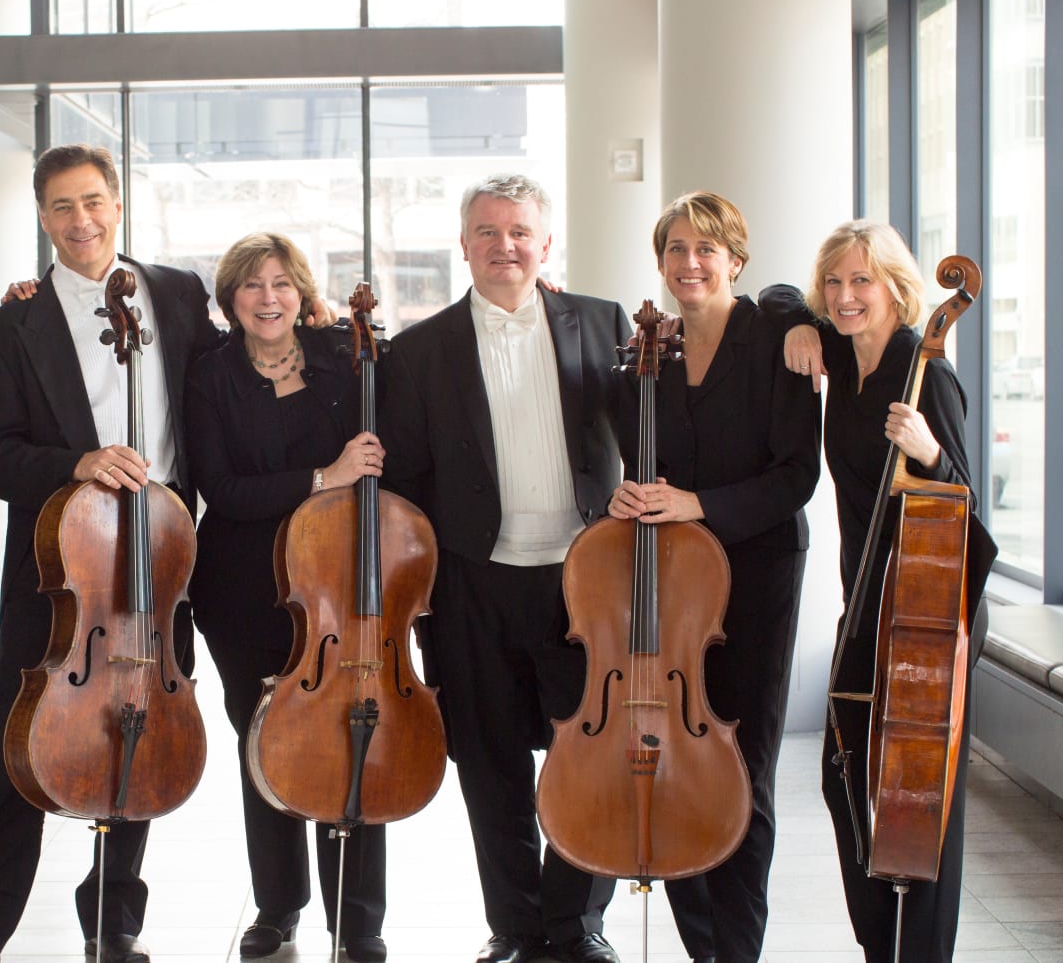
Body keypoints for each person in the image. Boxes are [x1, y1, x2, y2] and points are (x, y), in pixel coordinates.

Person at [0, 144, 331, 963]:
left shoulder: (173, 291)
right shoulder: (4, 329)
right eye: (61, 206)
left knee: (137, 730)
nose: (80, 220)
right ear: (41, 215)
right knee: (18, 749)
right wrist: (76, 462)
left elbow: (247, 352)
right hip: (57, 572)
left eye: (93, 201)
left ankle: (113, 923)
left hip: (162, 566)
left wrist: (323, 320)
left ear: (118, 204)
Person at [380, 173, 628, 963]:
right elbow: (406, 483)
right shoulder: (418, 350)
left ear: (545, 243)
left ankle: (577, 920)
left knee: (589, 752)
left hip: (580, 578)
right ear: (464, 247)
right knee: (488, 762)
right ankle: (515, 927)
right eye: (487, 232)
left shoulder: (604, 323)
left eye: (519, 231)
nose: (504, 246)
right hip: (470, 580)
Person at [605, 191, 821, 963]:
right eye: (675, 249)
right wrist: (626, 492)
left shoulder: (778, 339)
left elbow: (798, 474)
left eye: (706, 248)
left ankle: (738, 950)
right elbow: (639, 468)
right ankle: (702, 945)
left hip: (757, 575)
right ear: (659, 261)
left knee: (742, 766)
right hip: (670, 584)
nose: (689, 263)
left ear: (736, 257)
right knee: (669, 765)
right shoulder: (643, 355)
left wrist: (696, 503)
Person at [782, 220, 995, 962]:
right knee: (846, 777)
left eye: (862, 281)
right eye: (834, 282)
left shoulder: (926, 371)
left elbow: (969, 508)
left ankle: (921, 953)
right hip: (865, 604)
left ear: (897, 288)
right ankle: (881, 946)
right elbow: (775, 300)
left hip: (929, 612)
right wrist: (799, 323)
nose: (845, 296)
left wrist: (931, 454)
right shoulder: (842, 354)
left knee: (922, 805)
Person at [183, 233, 388, 962]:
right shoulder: (211, 375)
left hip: (340, 590)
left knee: (352, 740)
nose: (268, 297)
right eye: (250, 285)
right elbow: (224, 489)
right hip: (245, 590)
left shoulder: (346, 358)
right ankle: (278, 905)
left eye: (281, 283)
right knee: (265, 745)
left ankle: (358, 918)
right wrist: (323, 475)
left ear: (302, 292)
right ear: (230, 298)